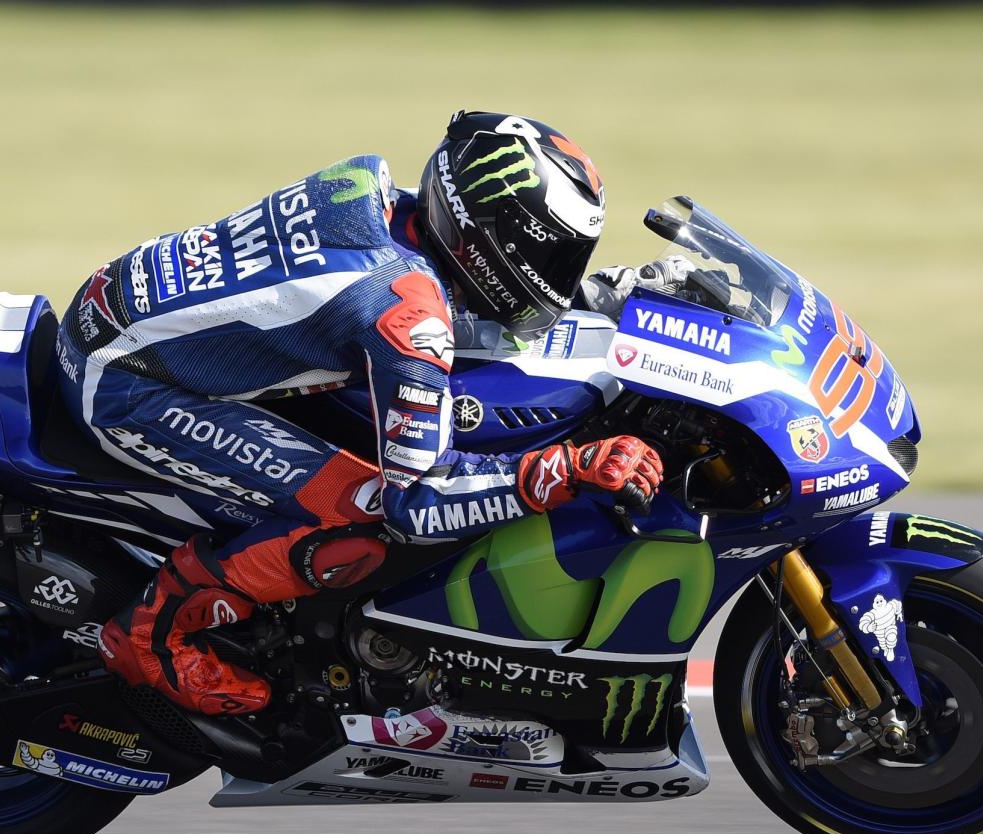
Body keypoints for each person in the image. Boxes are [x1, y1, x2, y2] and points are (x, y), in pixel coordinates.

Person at [55, 110, 682, 717]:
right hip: (124, 384)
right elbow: (418, 501)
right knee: (360, 510)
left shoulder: (375, 191)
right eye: (551, 260)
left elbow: (430, 294)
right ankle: (154, 633)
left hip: (117, 308)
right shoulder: (404, 315)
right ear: (492, 240)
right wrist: (561, 470)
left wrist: (603, 295)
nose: (556, 279)